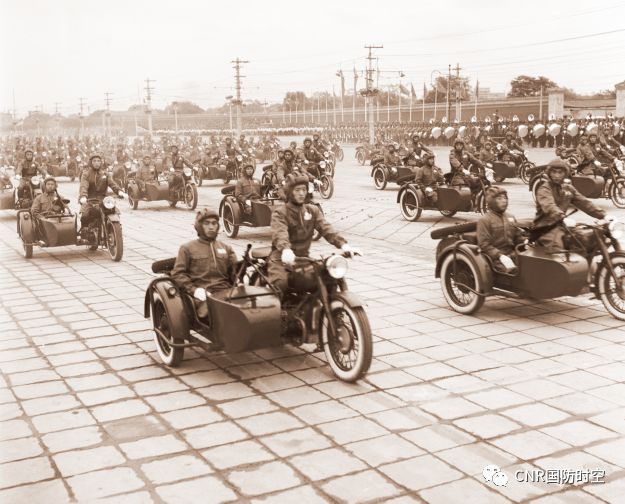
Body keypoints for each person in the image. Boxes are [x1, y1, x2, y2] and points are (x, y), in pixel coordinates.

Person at [268, 174, 361, 296]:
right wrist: (285, 249)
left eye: (304, 189)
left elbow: (326, 228)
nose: (302, 193)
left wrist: (344, 245)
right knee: (281, 284)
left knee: (330, 278)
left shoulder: (312, 210)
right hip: (281, 259)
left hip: (304, 259)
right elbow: (280, 233)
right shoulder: (280, 212)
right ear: (290, 192)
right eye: (297, 190)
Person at [171, 208, 238, 318]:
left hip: (226, 291)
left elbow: (236, 272)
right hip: (202, 294)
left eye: (214, 223)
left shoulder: (226, 248)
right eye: (206, 223)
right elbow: (178, 274)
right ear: (199, 226)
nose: (211, 227)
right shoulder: (187, 248)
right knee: (221, 312)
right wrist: (194, 290)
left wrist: (243, 275)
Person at [533, 159, 607, 251]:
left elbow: (584, 202)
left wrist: (604, 215)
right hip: (545, 227)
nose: (557, 175)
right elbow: (549, 206)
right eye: (554, 172)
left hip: (561, 225)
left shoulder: (568, 188)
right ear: (549, 173)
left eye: (560, 172)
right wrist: (562, 217)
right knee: (558, 250)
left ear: (565, 173)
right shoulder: (544, 189)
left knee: (586, 240)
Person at [477, 186, 524, 273]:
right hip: (495, 259)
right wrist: (500, 255)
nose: (504, 201)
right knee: (515, 271)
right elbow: (484, 245)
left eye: (505, 198)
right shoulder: (484, 220)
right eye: (499, 198)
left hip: (513, 254)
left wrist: (525, 241)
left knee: (532, 264)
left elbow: (518, 237)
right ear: (491, 201)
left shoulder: (511, 217)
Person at [78, 154, 126, 231]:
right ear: (91, 163)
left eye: (98, 161)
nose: (96, 163)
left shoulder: (105, 174)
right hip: (90, 199)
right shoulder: (86, 174)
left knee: (114, 211)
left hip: (103, 199)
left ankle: (114, 228)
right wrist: (83, 196)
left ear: (101, 162)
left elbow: (112, 184)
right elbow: (84, 186)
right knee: (85, 215)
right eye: (94, 161)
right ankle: (85, 232)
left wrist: (119, 191)